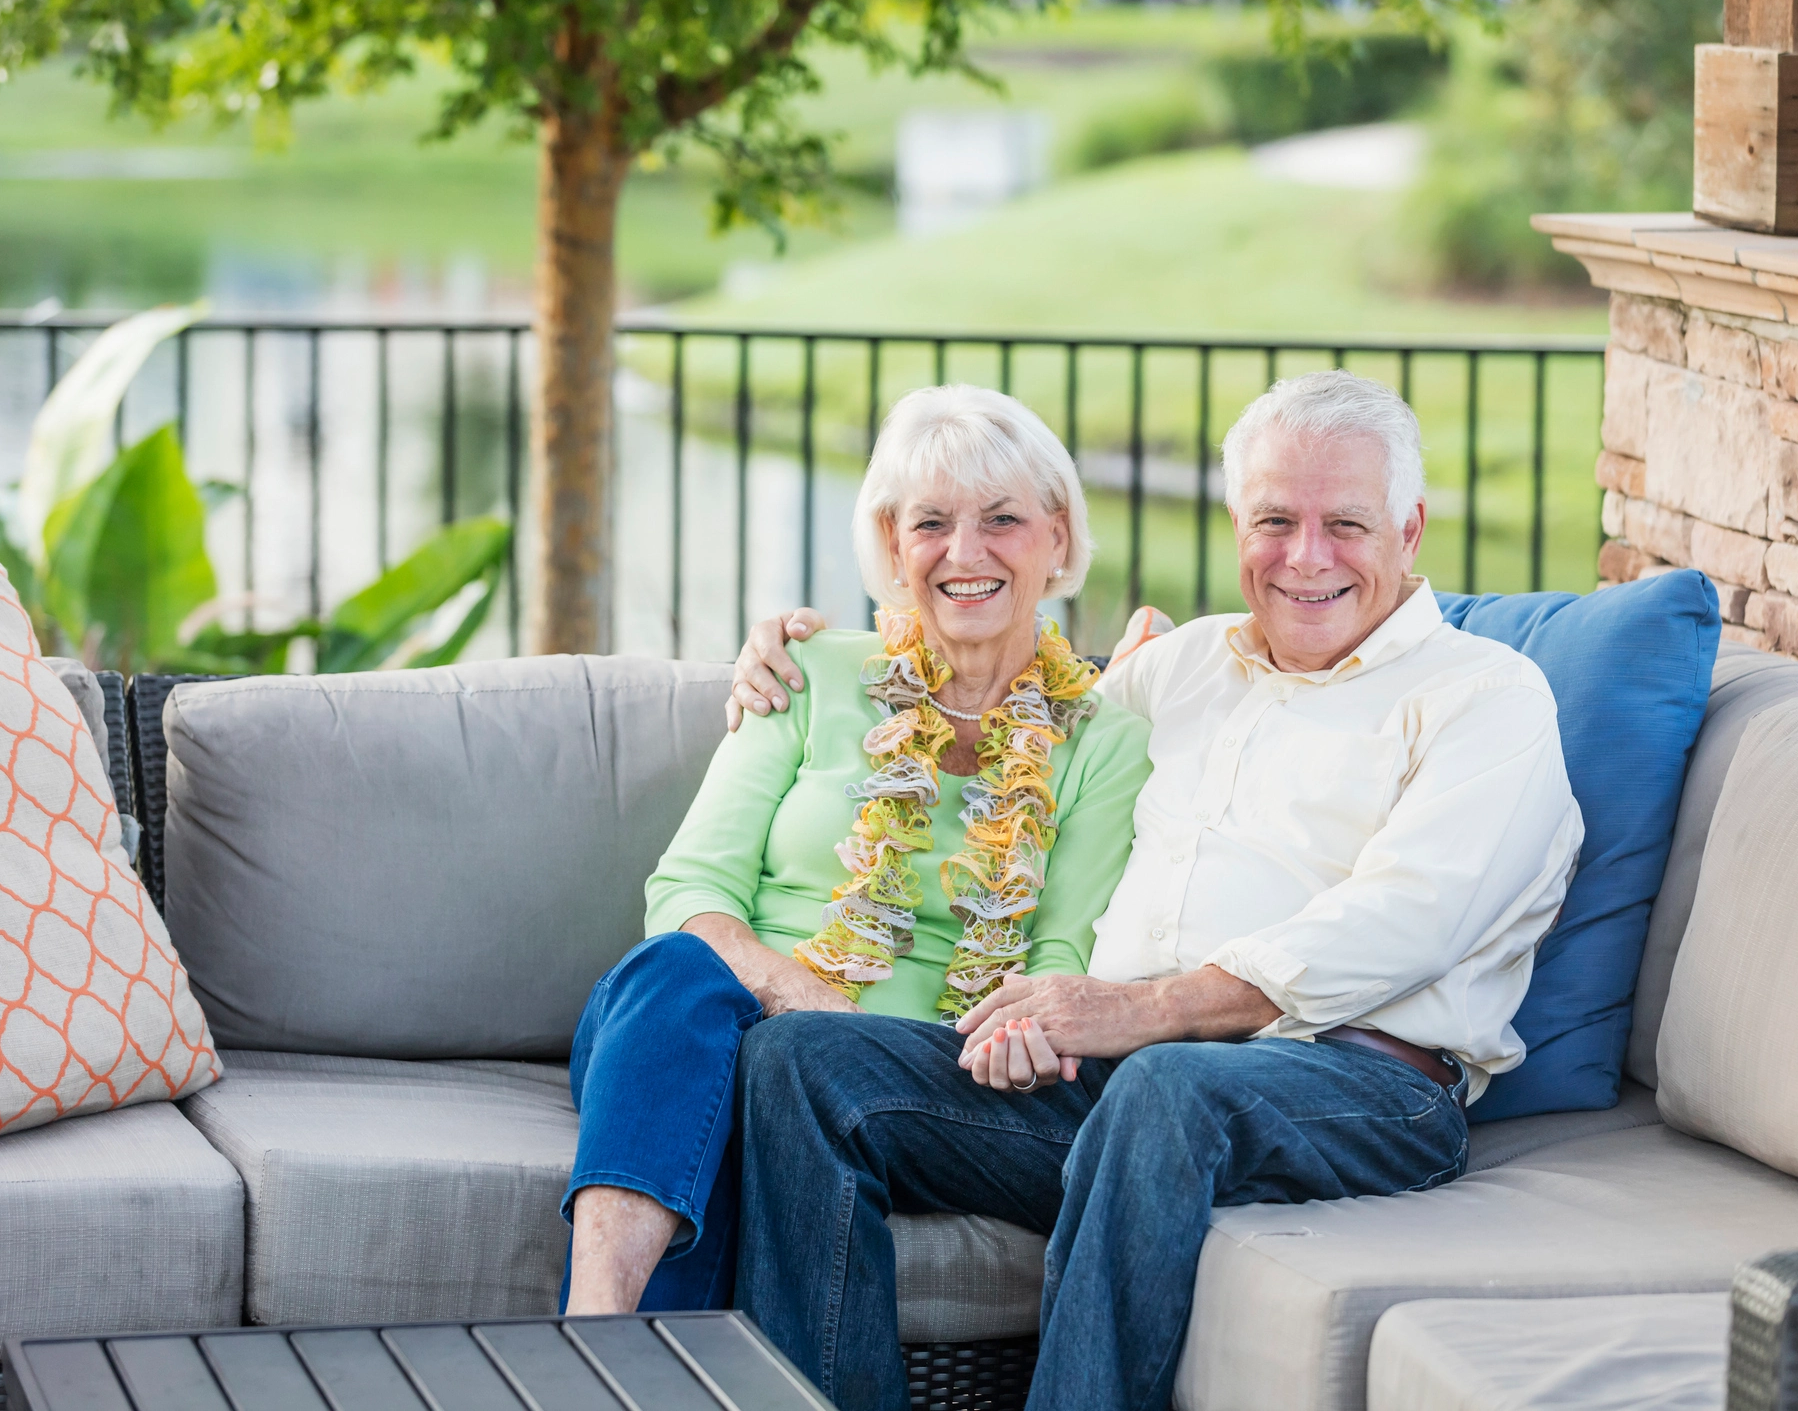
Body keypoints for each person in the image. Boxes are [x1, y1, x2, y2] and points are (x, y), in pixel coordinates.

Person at [722, 369, 1587, 1411]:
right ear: (1235, 524)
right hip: (1116, 1084)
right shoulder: (1176, 669)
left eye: (1344, 524)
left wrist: (1134, 1011)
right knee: (801, 1062)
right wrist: (799, 657)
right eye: (1275, 520)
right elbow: (1002, 712)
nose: (1305, 557)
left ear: (1410, 528)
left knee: (1167, 1084)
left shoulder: (1483, 698)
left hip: (1360, 1087)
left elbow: (1407, 920)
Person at [561, 383, 1153, 1316]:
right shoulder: (809, 674)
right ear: (889, 543)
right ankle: (594, 1339)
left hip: (911, 1077)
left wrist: (1013, 1041)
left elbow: (1057, 956)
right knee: (676, 973)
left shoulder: (1103, 738)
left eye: (1002, 519)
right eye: (930, 523)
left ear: (1058, 538)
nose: (964, 554)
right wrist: (798, 995)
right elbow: (688, 887)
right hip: (703, 1025)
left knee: (780, 1081)